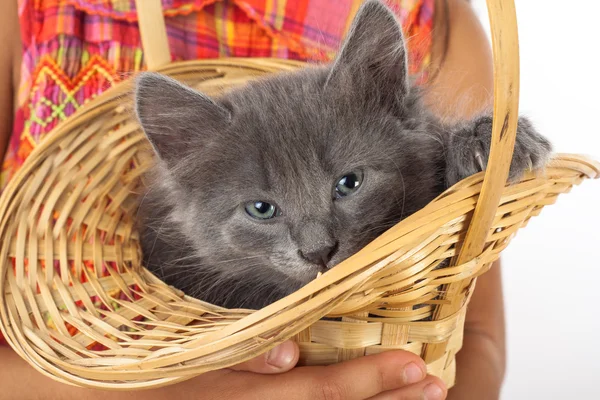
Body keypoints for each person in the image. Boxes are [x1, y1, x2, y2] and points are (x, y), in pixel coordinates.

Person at [0, 1, 504, 399]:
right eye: (263, 209)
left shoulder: (434, 18)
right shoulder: (28, 11)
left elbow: (476, 333)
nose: (317, 245)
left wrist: (472, 148)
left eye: (347, 185)